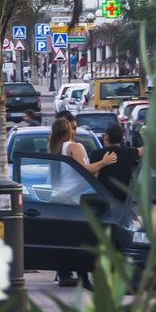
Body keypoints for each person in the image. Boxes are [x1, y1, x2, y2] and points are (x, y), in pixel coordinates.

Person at [50, 117, 116, 288]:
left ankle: (66, 274)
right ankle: (83, 277)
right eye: (74, 127)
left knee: (66, 239)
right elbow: (84, 170)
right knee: (83, 239)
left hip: (60, 198)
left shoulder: (56, 149)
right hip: (76, 198)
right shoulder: (74, 146)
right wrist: (104, 162)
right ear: (70, 130)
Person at [90, 124, 143, 203]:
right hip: (125, 201)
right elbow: (145, 150)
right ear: (122, 138)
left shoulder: (96, 154)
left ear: (107, 137)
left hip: (103, 202)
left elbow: (92, 179)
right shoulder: (129, 153)